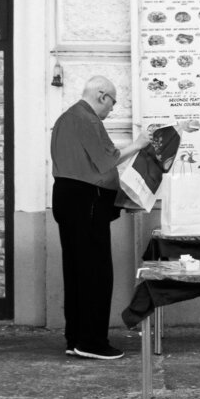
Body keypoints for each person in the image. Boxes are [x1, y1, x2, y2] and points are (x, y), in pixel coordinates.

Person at [51, 75, 151, 359]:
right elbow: (108, 159)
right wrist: (140, 144)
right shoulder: (86, 118)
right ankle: (92, 341)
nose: (112, 110)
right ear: (102, 95)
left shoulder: (65, 119)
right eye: (113, 102)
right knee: (96, 272)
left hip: (69, 198)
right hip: (85, 202)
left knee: (76, 272)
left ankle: (76, 338)